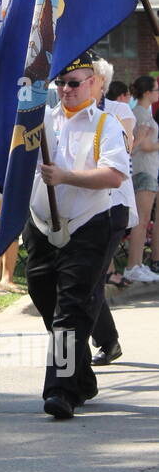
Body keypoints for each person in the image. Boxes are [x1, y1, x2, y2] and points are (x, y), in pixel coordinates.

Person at [23, 52, 129, 419]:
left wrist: (66, 176)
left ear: (94, 84)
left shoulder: (105, 125)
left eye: (74, 83)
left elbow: (114, 175)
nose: (66, 90)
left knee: (71, 311)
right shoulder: (42, 122)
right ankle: (81, 377)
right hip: (41, 224)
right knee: (41, 294)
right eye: (61, 84)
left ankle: (61, 390)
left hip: (88, 225)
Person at [91, 59, 138, 364]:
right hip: (75, 207)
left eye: (83, 78)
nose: (70, 85)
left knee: (91, 277)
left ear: (101, 83)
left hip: (112, 205)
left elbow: (127, 145)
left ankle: (100, 342)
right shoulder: (60, 113)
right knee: (85, 279)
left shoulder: (118, 112)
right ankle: (105, 341)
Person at [124, 74, 159, 283]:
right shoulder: (140, 114)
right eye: (155, 90)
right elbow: (143, 145)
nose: (157, 93)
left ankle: (137, 264)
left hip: (149, 170)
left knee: (144, 221)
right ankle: (133, 265)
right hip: (143, 170)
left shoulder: (143, 113)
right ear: (147, 93)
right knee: (141, 221)